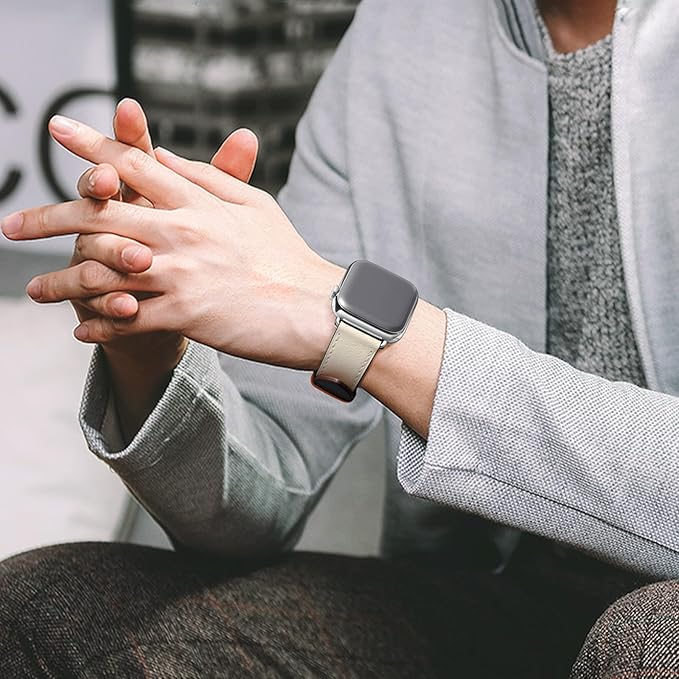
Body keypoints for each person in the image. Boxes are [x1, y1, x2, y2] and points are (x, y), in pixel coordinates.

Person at [2, 0, 679, 675]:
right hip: (491, 598)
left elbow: (336, 315)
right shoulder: (399, 33)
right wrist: (148, 343)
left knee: (644, 641)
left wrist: (374, 333)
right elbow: (254, 505)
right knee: (47, 613)